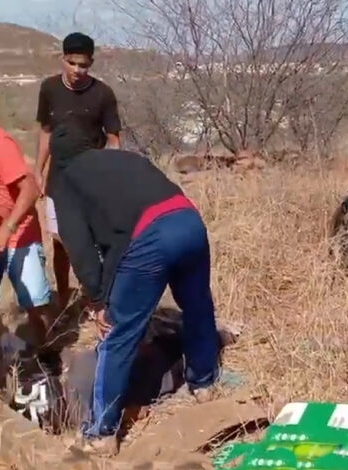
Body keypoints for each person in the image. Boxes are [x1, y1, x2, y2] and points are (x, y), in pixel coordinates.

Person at [48, 124, 219, 456]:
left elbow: (79, 249)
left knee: (120, 333)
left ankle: (101, 434)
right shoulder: (127, 159)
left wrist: (97, 300)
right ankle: (204, 384)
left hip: (150, 237)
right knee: (198, 307)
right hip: (189, 221)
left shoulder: (65, 182)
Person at [34, 32, 122, 309]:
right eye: (72, 64)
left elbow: (114, 139)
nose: (77, 71)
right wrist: (38, 169)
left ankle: (95, 294)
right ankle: (62, 296)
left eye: (83, 65)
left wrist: (111, 174)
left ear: (91, 63)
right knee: (60, 241)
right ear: (63, 60)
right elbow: (45, 131)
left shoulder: (103, 94)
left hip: (91, 177)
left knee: (94, 237)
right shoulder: (49, 89)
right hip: (58, 178)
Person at [0, 124, 53, 348]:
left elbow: (31, 189)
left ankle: (47, 356)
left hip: (18, 230)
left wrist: (6, 229)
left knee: (35, 303)